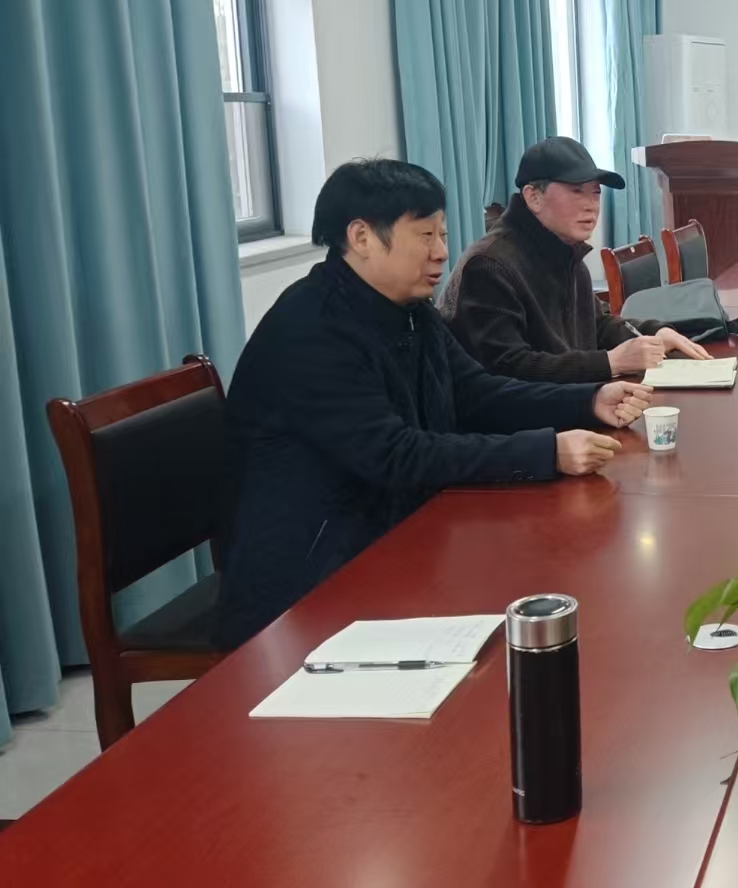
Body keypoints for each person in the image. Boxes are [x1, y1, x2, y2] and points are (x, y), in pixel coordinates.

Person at [215, 160, 653, 648]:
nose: (442, 251)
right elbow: (395, 454)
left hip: (397, 535)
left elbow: (477, 392)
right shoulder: (312, 329)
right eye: (425, 235)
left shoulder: (410, 310)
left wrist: (588, 400)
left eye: (442, 234)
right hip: (309, 582)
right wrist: (546, 451)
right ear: (361, 237)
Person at [441, 137, 711, 382]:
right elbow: (508, 369)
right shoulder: (489, 266)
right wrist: (610, 362)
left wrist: (654, 334)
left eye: (595, 192)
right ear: (533, 197)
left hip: (568, 404)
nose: (591, 205)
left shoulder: (565, 252)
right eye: (576, 190)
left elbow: (595, 325)